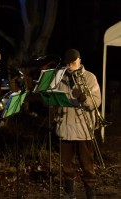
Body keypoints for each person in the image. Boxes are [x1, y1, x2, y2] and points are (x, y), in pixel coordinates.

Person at [54, 49, 101, 199]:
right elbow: (53, 98)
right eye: (68, 63)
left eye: (73, 62)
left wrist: (83, 98)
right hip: (65, 127)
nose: (70, 66)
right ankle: (70, 193)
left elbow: (96, 101)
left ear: (80, 60)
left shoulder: (90, 77)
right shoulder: (60, 77)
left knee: (87, 165)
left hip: (83, 128)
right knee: (66, 165)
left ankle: (90, 193)